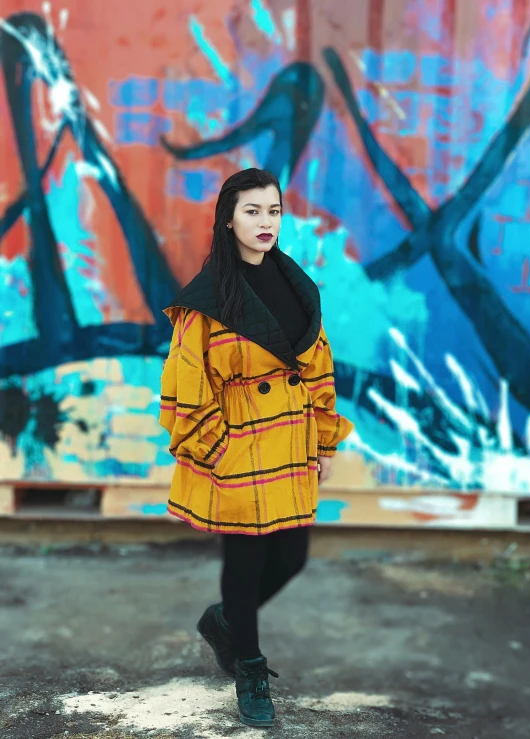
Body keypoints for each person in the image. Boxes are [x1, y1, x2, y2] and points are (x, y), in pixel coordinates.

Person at [159, 168, 353, 728]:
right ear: (227, 218)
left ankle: (226, 622)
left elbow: (317, 365)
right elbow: (185, 384)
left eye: (273, 211)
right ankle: (248, 668)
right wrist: (219, 450)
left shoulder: (296, 284)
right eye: (252, 211)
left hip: (289, 444)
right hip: (238, 450)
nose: (265, 222)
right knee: (244, 563)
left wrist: (323, 437)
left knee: (291, 557)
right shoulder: (207, 298)